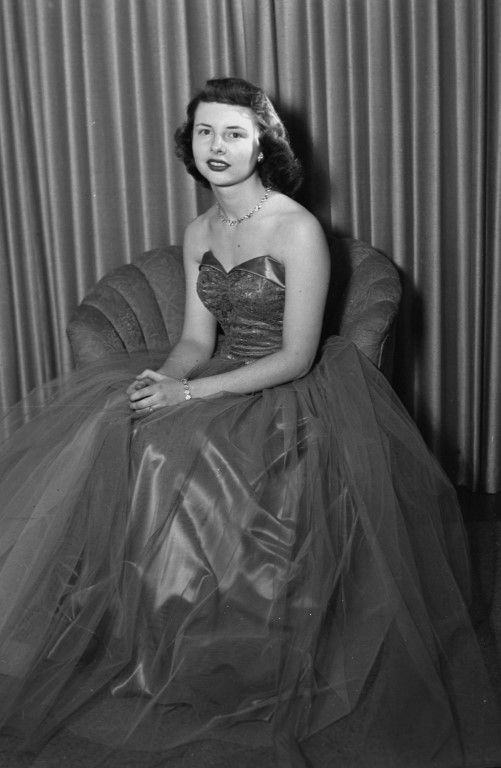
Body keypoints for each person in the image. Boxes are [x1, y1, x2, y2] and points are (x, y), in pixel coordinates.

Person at [0, 77, 500, 768]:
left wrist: (189, 397)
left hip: (288, 384)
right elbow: (194, 340)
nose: (217, 146)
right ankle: (165, 649)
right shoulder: (199, 231)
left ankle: (244, 660)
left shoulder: (296, 228)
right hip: (216, 372)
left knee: (189, 458)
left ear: (263, 145)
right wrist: (164, 381)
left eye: (234, 133)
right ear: (190, 143)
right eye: (205, 131)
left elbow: (296, 357)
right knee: (130, 431)